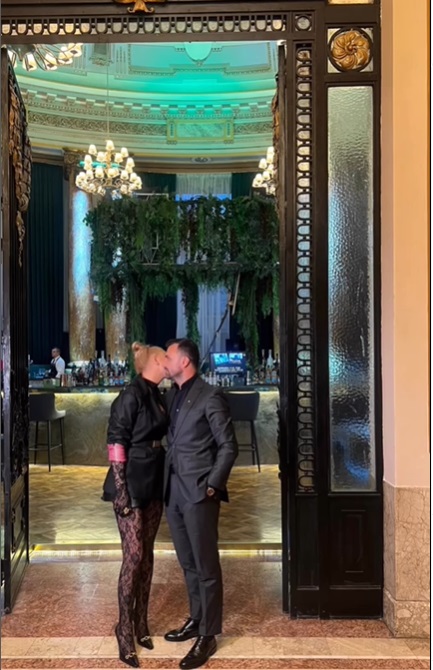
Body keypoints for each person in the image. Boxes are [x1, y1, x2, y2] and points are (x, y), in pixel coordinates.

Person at [163, 338, 238, 670]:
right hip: (173, 493)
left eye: (169, 356)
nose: (165, 361)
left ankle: (208, 634)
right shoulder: (172, 395)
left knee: (206, 566)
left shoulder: (210, 395)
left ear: (185, 361)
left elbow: (228, 446)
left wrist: (212, 486)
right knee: (188, 562)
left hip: (198, 493)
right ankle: (196, 618)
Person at [102, 342, 168, 668]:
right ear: (155, 360)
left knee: (148, 554)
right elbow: (115, 442)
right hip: (130, 481)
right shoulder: (131, 394)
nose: (170, 361)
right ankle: (124, 629)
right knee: (134, 555)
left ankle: (141, 621)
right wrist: (121, 491)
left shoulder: (158, 394)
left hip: (154, 478)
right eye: (166, 357)